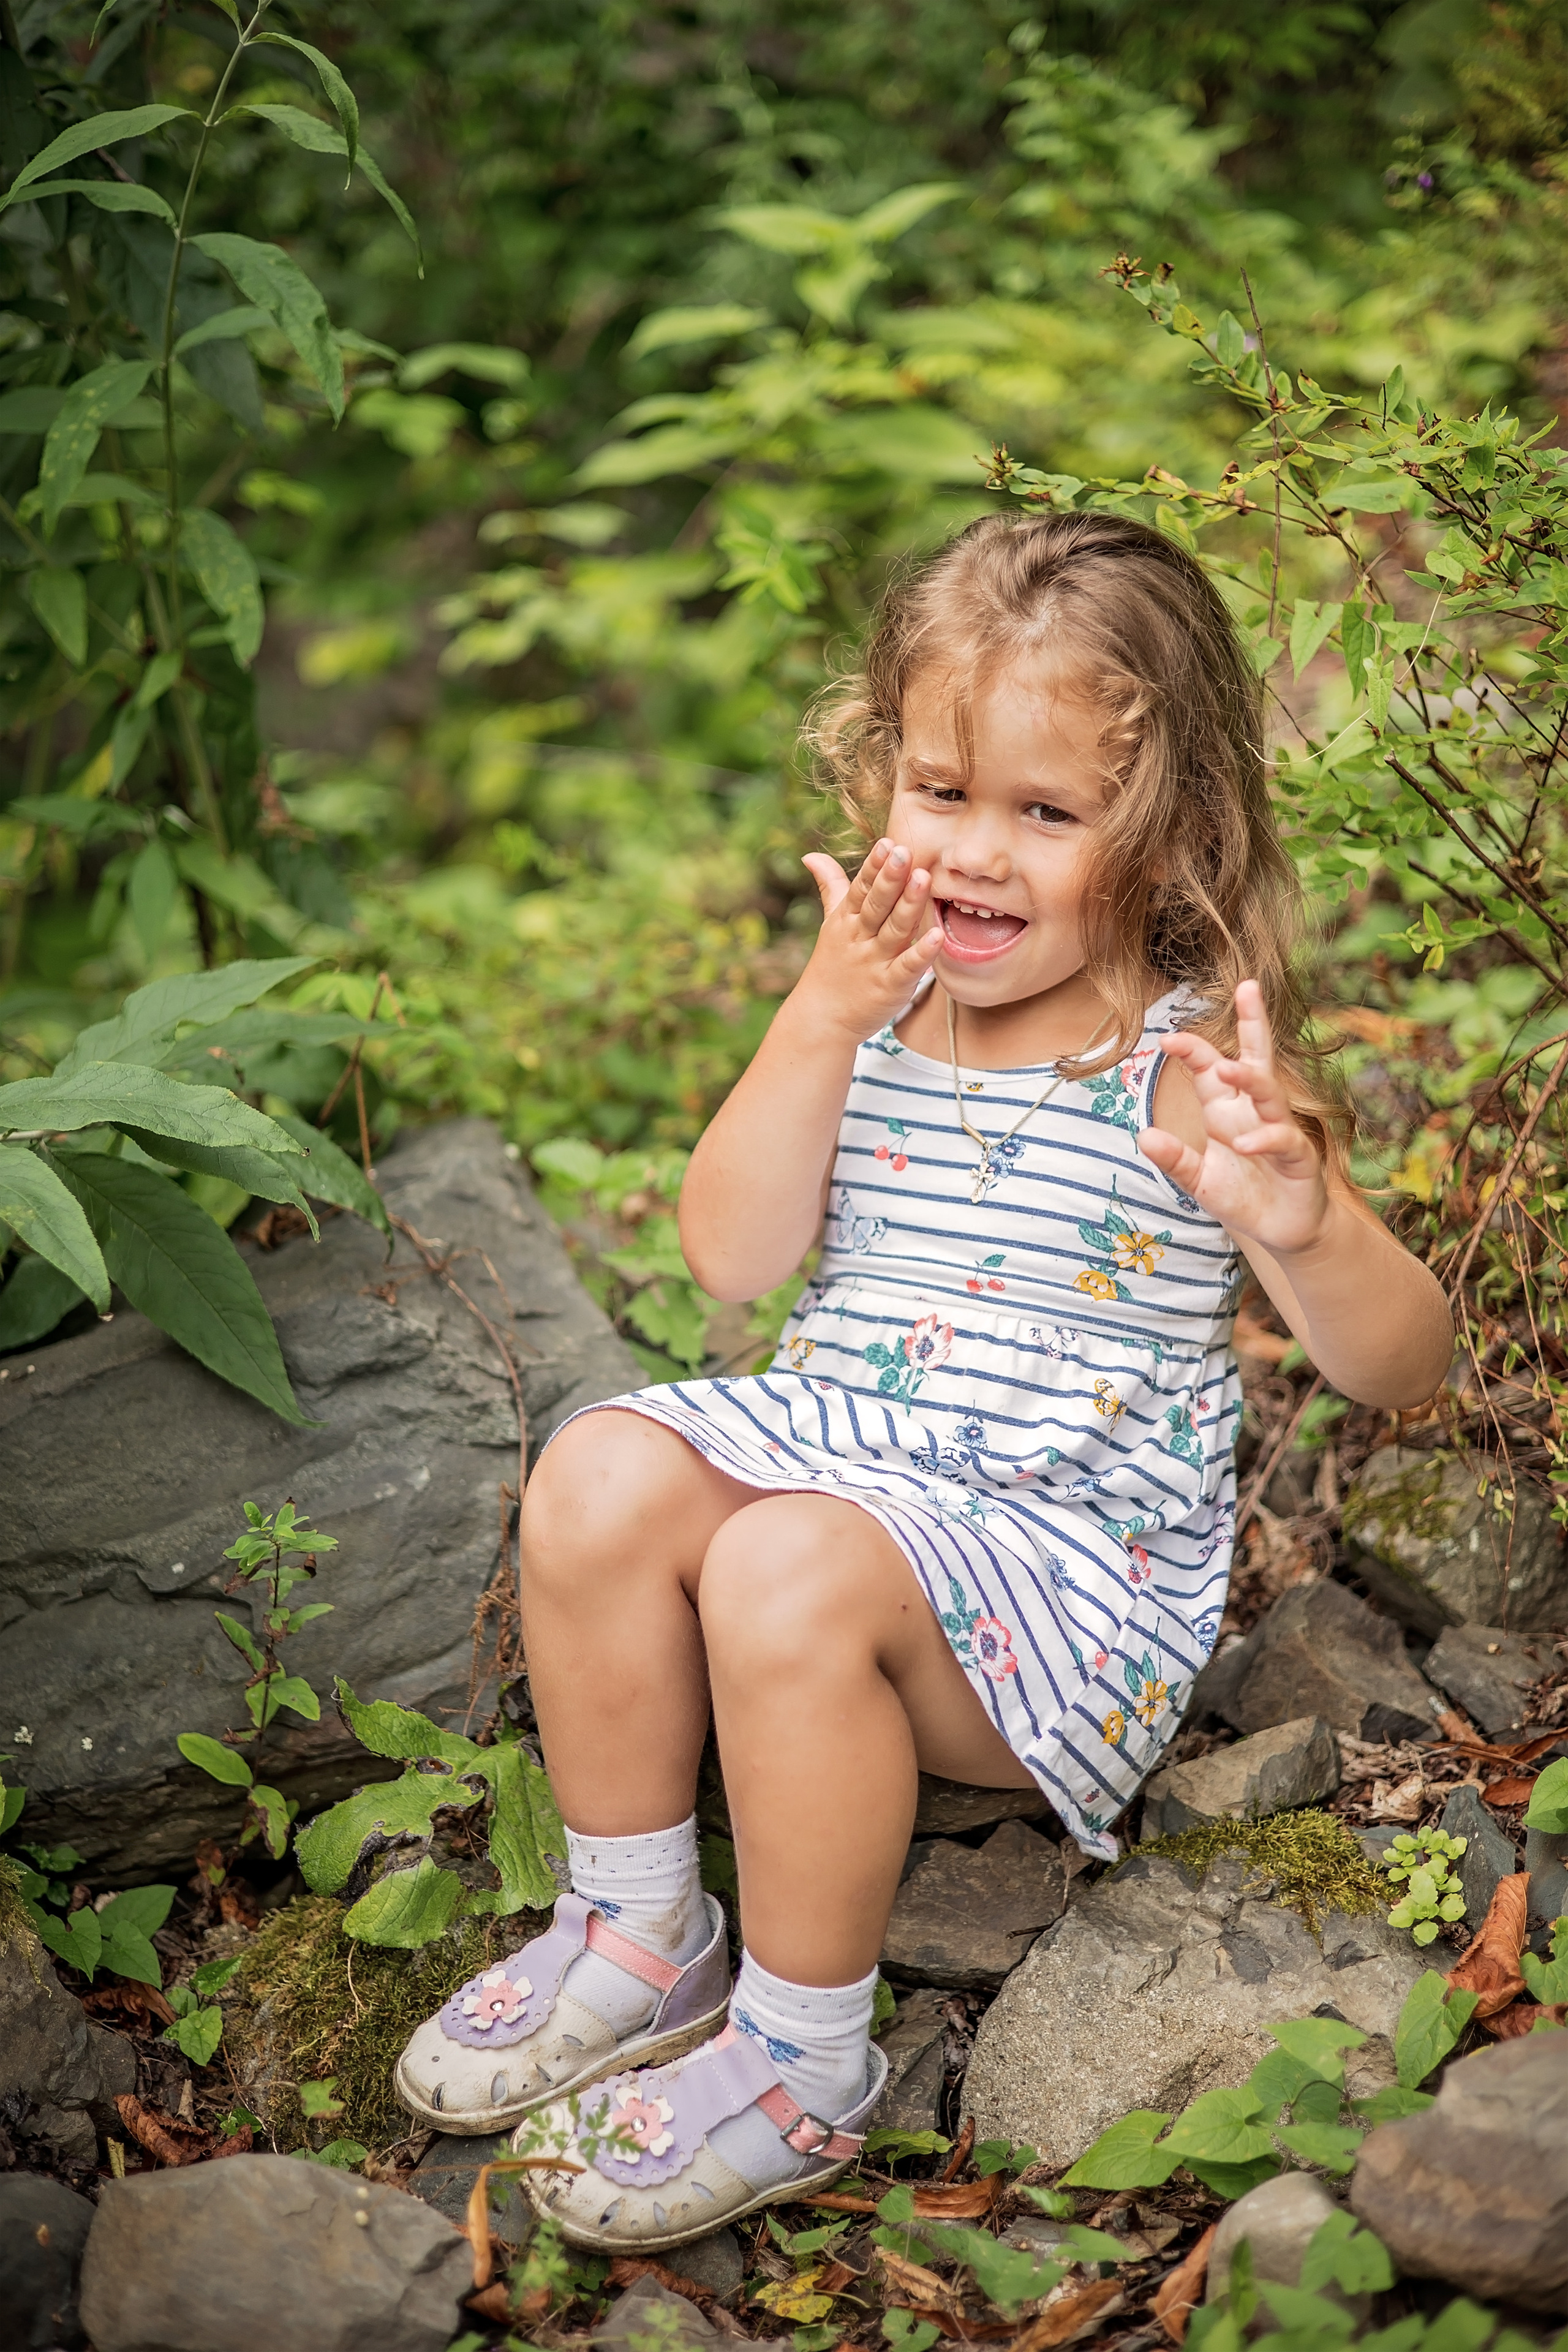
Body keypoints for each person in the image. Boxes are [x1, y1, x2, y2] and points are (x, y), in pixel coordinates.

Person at [394, 511, 1454, 2249]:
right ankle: (640, 1924)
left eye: (1047, 813)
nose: (975, 851)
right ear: (879, 772)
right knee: (592, 1469)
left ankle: (807, 2055)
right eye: (941, 789)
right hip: (848, 1454)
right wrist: (813, 1024)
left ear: (1173, 831)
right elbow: (732, 1261)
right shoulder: (871, 1012)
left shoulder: (1176, 1068)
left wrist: (1306, 1218)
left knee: (777, 1560)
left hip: (1055, 1575)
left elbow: (1404, 1368)